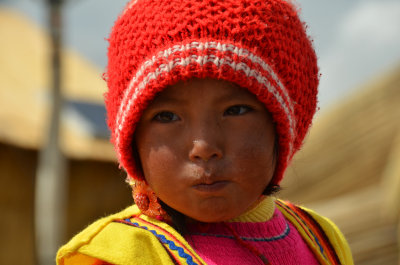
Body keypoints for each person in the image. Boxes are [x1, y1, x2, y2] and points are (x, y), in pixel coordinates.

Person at [56, 0, 353, 264]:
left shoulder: (321, 240)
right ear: (132, 139)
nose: (203, 145)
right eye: (167, 116)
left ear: (284, 127)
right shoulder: (123, 254)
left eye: (235, 110)